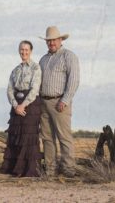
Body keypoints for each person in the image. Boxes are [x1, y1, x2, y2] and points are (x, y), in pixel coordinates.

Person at [38, 26, 80, 176]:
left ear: (61, 40)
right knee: (47, 137)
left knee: (64, 137)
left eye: (54, 40)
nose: (51, 43)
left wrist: (65, 100)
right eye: (49, 40)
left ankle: (69, 170)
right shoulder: (43, 59)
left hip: (59, 102)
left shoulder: (68, 56)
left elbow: (74, 80)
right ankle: (50, 169)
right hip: (43, 102)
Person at [0, 40, 43, 177]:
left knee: (28, 137)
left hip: (30, 105)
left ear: (31, 51)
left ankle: (28, 170)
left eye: (26, 50)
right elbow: (9, 89)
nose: (24, 52)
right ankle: (15, 169)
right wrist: (15, 105)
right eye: (21, 50)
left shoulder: (36, 68)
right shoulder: (15, 70)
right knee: (16, 136)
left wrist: (23, 105)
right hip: (16, 106)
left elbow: (35, 89)